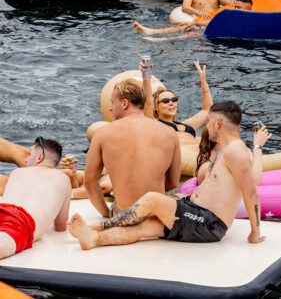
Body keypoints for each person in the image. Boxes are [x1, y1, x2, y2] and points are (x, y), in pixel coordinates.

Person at [69, 101, 266, 249]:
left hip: (209, 223)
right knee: (146, 227)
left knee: (153, 200)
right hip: (195, 212)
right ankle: (94, 239)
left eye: (209, 122)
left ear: (219, 123)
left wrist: (255, 233)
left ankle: (100, 227)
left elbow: (251, 192)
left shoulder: (235, 152)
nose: (207, 127)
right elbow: (256, 178)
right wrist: (258, 146)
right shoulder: (232, 148)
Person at [83, 78, 181, 218]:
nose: (110, 108)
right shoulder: (169, 133)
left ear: (124, 103)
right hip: (157, 214)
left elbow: (89, 181)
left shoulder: (103, 133)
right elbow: (172, 182)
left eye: (112, 102)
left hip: (123, 215)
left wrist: (107, 213)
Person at [0, 137, 70, 259]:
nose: (26, 160)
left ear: (39, 157)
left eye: (29, 154)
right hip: (20, 222)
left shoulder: (17, 172)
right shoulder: (63, 178)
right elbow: (60, 226)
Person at [147, 60, 214, 145]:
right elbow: (148, 99)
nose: (171, 103)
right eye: (165, 101)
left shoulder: (186, 125)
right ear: (156, 107)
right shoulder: (155, 125)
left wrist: (203, 82)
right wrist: (146, 75)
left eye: (174, 99)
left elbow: (207, 110)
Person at [133, 0, 253, 37]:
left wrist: (196, 23)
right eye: (236, 7)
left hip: (211, 34)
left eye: (240, 8)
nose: (237, 10)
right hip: (210, 31)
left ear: (250, 10)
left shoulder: (248, 21)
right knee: (185, 27)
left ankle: (160, 38)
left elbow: (216, 24)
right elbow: (215, 22)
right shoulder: (231, 15)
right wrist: (195, 22)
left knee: (191, 33)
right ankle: (152, 32)